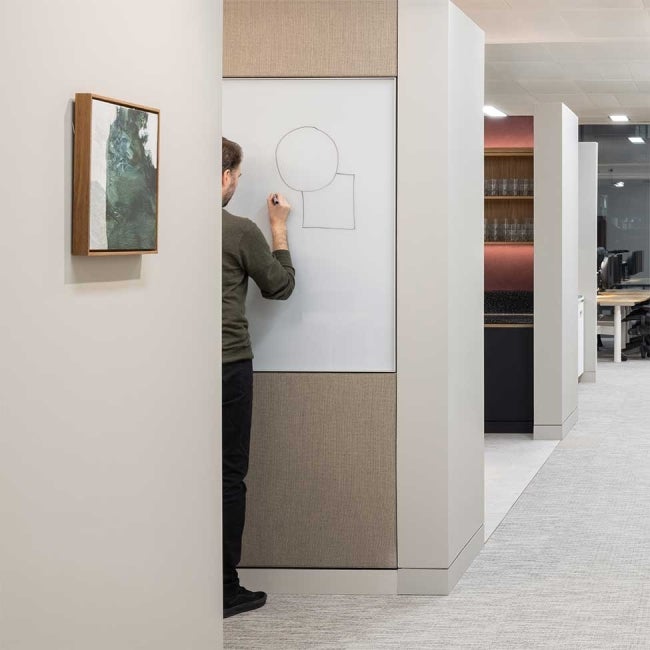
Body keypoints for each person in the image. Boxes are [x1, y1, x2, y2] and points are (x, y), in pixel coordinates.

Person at [221, 137, 295, 618]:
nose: (237, 184)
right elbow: (281, 287)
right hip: (227, 367)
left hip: (166, 371)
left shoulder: (154, 220)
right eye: (238, 176)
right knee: (228, 476)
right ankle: (224, 587)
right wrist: (278, 228)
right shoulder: (238, 231)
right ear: (225, 175)